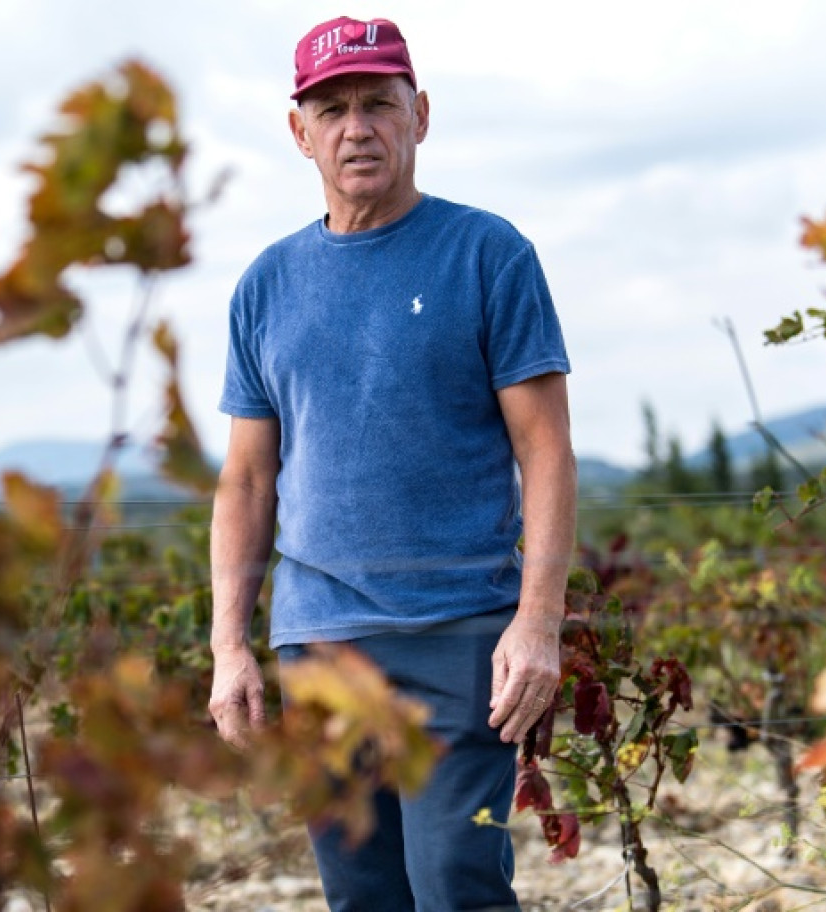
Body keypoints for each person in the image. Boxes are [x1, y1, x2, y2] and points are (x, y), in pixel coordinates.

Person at [208, 15, 575, 911]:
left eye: (379, 102)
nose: (356, 127)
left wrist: (537, 624)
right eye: (331, 109)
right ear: (300, 132)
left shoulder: (489, 255)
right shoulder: (266, 285)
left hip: (461, 639)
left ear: (420, 115)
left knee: (456, 885)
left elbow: (547, 449)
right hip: (319, 644)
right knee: (361, 895)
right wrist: (229, 647)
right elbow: (248, 481)